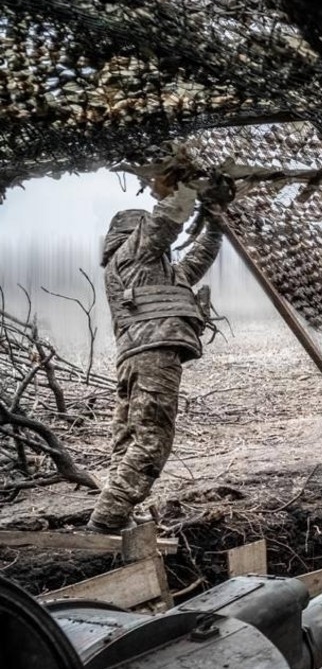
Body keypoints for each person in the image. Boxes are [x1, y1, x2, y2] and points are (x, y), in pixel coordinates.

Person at [86, 182, 222, 534]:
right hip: (153, 354)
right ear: (136, 232)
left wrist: (215, 223)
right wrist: (190, 186)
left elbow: (197, 259)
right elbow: (165, 220)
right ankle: (109, 516)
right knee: (153, 439)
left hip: (135, 356)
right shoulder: (133, 254)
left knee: (128, 439)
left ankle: (116, 514)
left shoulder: (154, 269)